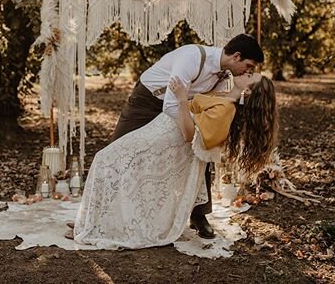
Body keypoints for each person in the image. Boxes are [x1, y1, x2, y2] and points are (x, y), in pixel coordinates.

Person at [71, 72, 278, 249]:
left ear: (248, 91)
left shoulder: (225, 110)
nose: (247, 73)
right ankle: (91, 220)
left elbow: (190, 136)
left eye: (250, 76)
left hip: (164, 139)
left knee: (105, 159)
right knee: (106, 159)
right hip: (159, 128)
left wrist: (180, 98)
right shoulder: (224, 97)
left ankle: (96, 225)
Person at [109, 34, 264, 238]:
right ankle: (99, 211)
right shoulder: (192, 57)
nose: (249, 71)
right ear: (236, 56)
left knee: (201, 150)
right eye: (249, 66)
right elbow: (170, 106)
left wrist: (203, 125)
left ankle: (199, 214)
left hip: (181, 106)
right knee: (115, 153)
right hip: (147, 101)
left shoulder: (224, 75)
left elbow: (207, 103)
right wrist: (197, 123)